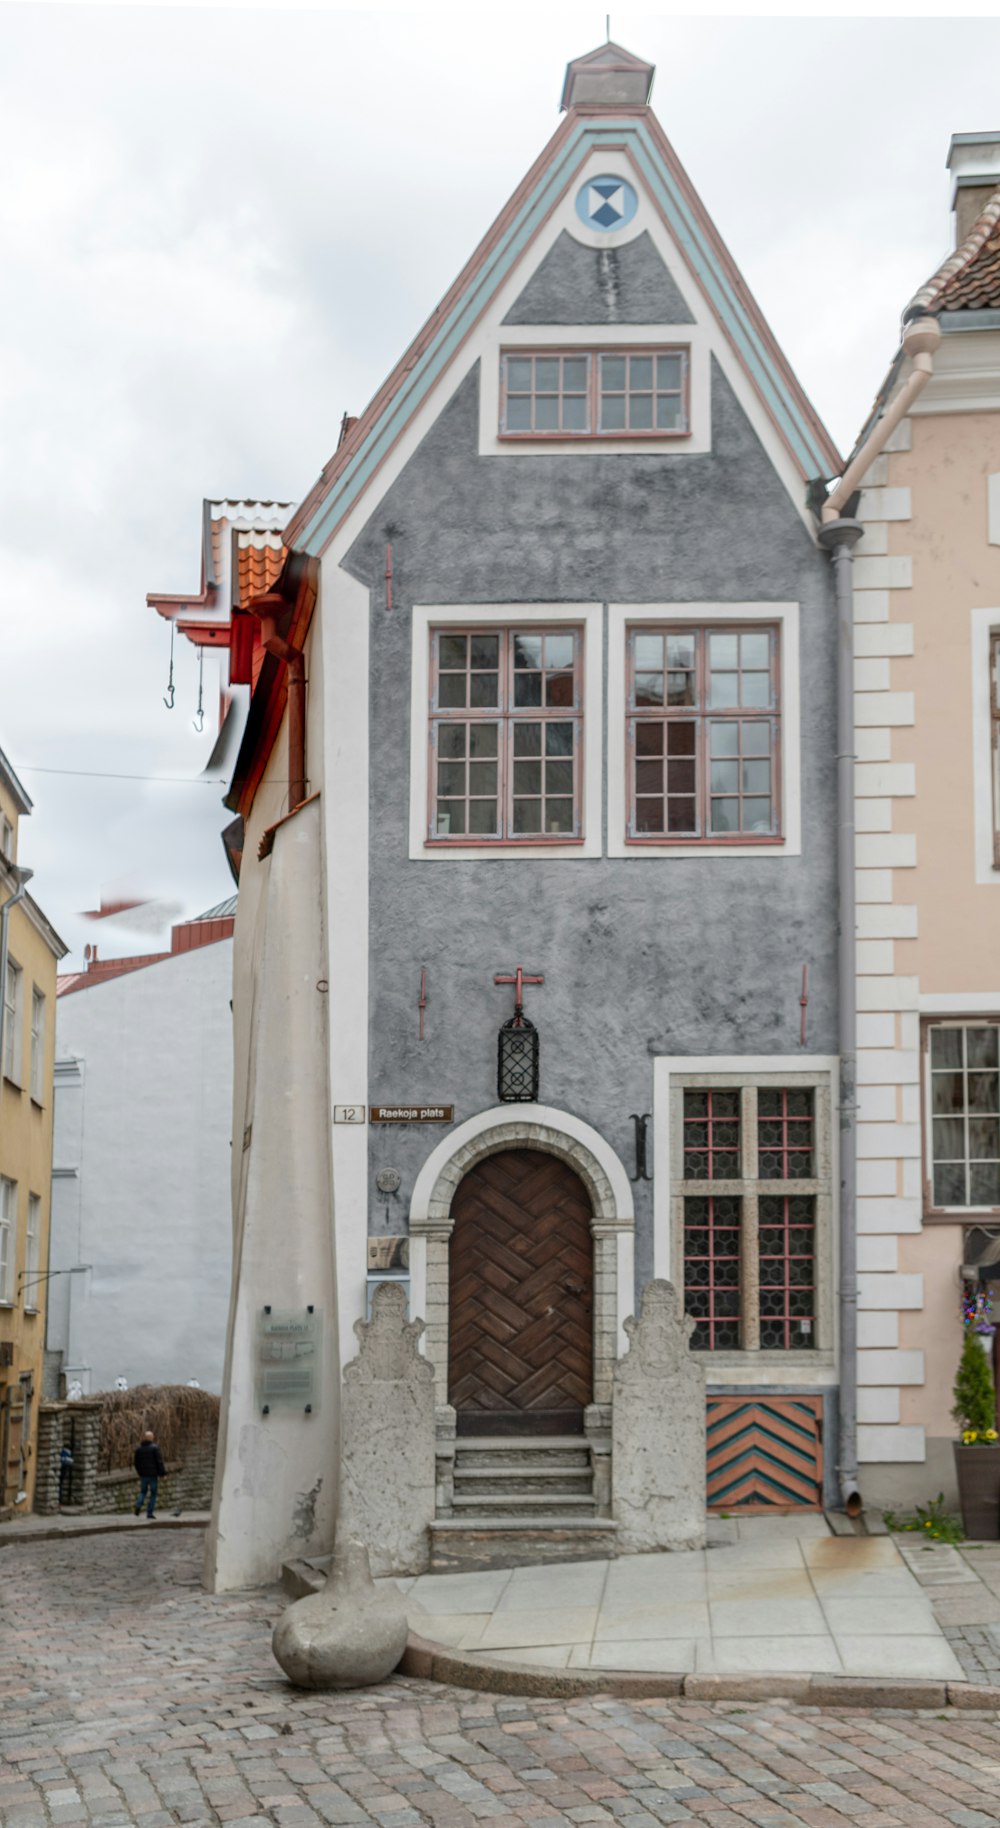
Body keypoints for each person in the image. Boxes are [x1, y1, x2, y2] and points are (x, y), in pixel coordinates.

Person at [133, 1428, 165, 1519]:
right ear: (151, 1438)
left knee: (143, 1491)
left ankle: (139, 1505)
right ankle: (149, 1513)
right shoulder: (155, 1448)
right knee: (153, 1493)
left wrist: (139, 1472)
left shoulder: (139, 1449)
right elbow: (159, 1462)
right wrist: (162, 1474)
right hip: (152, 1475)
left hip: (143, 1475)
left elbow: (136, 1463)